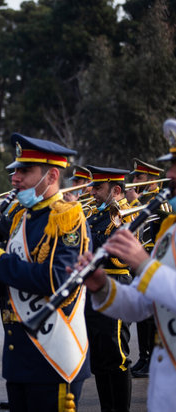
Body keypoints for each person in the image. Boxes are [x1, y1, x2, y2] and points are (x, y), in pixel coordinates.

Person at [0, 134, 91, 411]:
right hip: (19, 356)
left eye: (25, 171)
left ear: (51, 176)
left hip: (53, 355)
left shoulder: (67, 217)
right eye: (15, 170)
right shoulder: (22, 217)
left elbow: (58, 281)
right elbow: (10, 284)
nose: (15, 178)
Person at [79, 124, 176, 411]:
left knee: (116, 357)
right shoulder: (170, 234)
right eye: (170, 166)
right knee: (102, 358)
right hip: (166, 390)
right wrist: (100, 287)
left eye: (175, 167)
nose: (169, 175)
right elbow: (142, 305)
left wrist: (143, 263)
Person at [85, 165, 135, 411]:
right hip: (95, 287)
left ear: (115, 190)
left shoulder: (126, 214)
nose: (91, 191)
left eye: (97, 187)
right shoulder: (96, 214)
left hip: (115, 286)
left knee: (116, 356)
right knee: (100, 357)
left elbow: (118, 255)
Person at [126, 159, 170, 378]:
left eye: (139, 177)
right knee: (143, 319)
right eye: (134, 177)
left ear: (153, 180)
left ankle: (150, 358)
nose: (134, 181)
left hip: (156, 265)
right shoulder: (145, 200)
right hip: (141, 265)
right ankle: (144, 357)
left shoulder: (159, 202)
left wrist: (135, 204)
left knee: (151, 318)